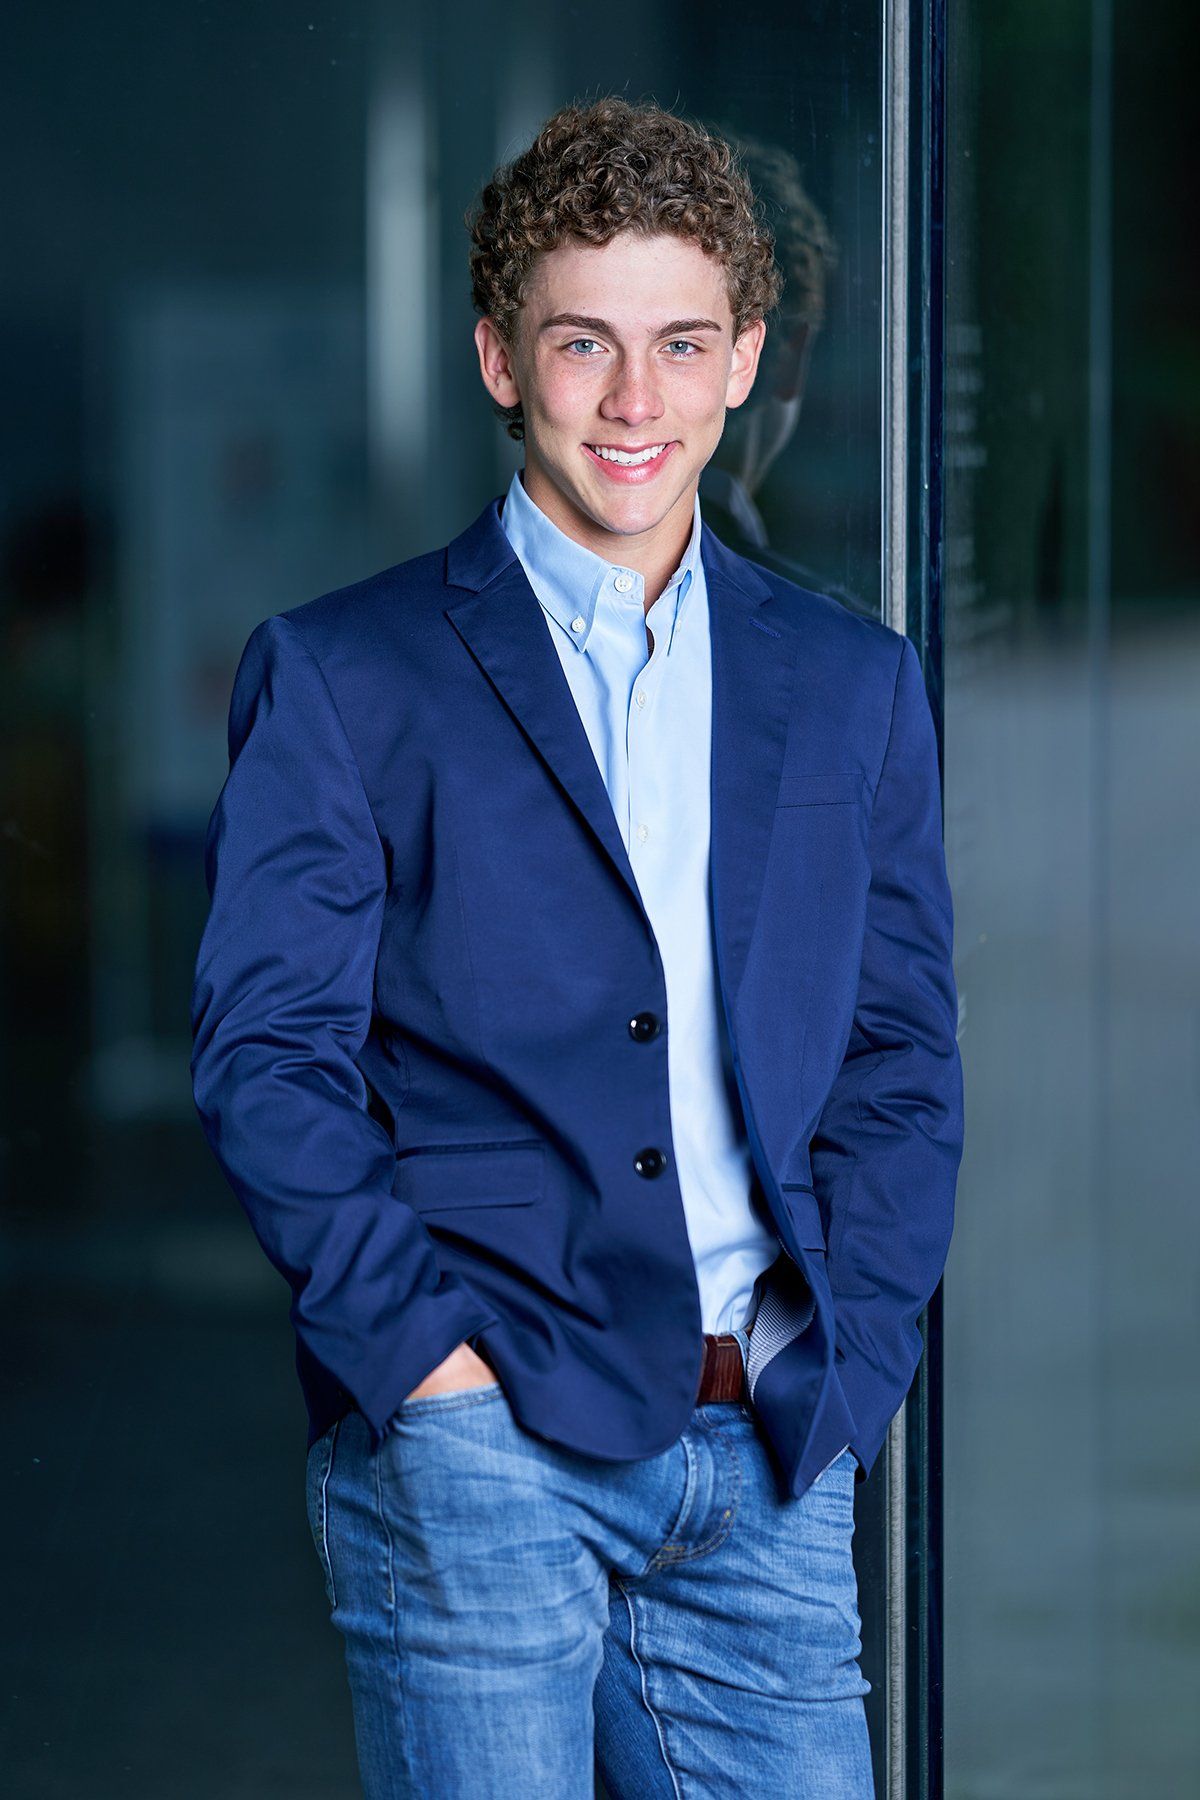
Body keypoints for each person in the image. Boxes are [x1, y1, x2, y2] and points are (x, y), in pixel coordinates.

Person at [190, 94, 963, 1800]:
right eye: (583, 343)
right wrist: (424, 1369)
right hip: (483, 1436)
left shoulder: (853, 684)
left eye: (682, 344)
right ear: (496, 357)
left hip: (763, 1437)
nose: (635, 401)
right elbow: (267, 1058)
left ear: (745, 360)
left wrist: (861, 1346)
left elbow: (901, 1056)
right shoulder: (345, 676)